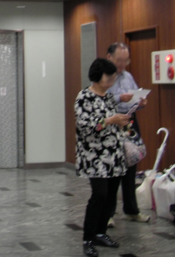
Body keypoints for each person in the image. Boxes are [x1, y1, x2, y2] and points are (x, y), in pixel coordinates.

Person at [75, 58, 130, 257]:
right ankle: (88, 238)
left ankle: (100, 233)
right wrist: (110, 120)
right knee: (99, 195)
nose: (112, 81)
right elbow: (85, 127)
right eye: (109, 77)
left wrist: (121, 122)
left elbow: (112, 121)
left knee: (110, 196)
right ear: (98, 76)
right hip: (94, 156)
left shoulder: (108, 98)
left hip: (114, 154)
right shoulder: (84, 97)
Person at [106, 42, 149, 226]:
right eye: (119, 60)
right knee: (113, 170)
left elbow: (136, 96)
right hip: (112, 124)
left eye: (125, 60)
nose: (122, 64)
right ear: (109, 57)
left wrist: (141, 102)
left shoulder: (128, 76)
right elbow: (97, 99)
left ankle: (131, 211)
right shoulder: (102, 76)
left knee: (131, 167)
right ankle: (107, 214)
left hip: (130, 122)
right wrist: (118, 98)